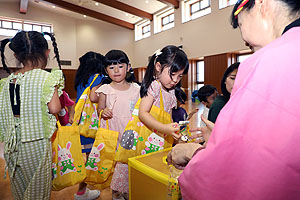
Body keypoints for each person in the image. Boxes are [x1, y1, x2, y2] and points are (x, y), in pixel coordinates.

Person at [168, 0, 300, 199]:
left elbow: (245, 174)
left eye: (240, 25)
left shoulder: (272, 60)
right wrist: (228, 138)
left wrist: (193, 152)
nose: (245, 41)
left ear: (262, 4)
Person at [0, 31, 63, 199]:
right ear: (47, 52)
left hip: (12, 144)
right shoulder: (46, 78)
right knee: (38, 188)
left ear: (15, 54)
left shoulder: (7, 82)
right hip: (36, 142)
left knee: (19, 185)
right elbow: (55, 108)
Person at [95, 50, 140, 200]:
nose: (116, 70)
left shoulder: (136, 89)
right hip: (113, 134)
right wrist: (103, 112)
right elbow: (99, 109)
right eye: (111, 67)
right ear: (106, 70)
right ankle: (116, 194)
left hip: (131, 134)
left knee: (130, 164)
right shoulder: (105, 90)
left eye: (120, 66)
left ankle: (129, 192)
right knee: (115, 166)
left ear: (128, 67)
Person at [139, 45, 189, 142]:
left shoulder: (171, 91)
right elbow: (143, 113)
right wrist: (164, 128)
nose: (175, 80)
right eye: (172, 74)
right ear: (158, 67)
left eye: (180, 76)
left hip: (161, 137)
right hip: (147, 137)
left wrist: (174, 132)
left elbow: (168, 117)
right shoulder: (154, 86)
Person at [74, 51, 105, 200]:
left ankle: (83, 190)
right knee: (93, 157)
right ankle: (82, 191)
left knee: (86, 156)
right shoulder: (98, 78)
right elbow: (93, 97)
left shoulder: (80, 79)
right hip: (93, 123)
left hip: (82, 122)